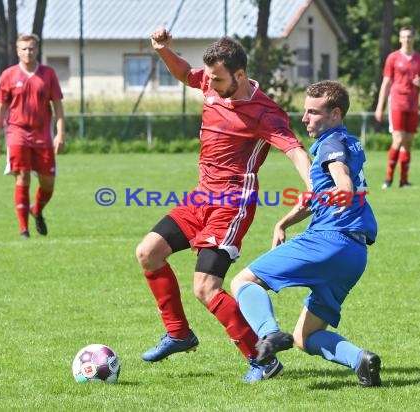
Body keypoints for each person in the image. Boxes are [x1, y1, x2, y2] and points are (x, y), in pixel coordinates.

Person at [136, 28, 311, 382]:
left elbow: (293, 149)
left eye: (217, 78)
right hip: (200, 197)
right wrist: (163, 51)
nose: (210, 84)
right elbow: (186, 74)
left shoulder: (265, 112)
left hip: (232, 205)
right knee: (148, 253)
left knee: (205, 288)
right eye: (210, 77)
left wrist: (313, 185)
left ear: (240, 75)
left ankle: (263, 360)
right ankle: (179, 334)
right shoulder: (210, 82)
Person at [230, 80, 382, 387]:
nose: (305, 119)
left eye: (313, 112)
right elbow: (316, 196)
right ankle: (361, 360)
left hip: (328, 240)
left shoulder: (330, 145)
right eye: (305, 112)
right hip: (355, 255)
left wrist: (343, 191)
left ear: (335, 114)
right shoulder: (350, 142)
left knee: (243, 282)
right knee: (304, 336)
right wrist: (283, 223)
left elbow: (341, 180)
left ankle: (268, 332)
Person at [0, 33, 66, 238]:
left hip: (42, 135)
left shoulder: (48, 74)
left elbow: (58, 106)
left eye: (31, 48)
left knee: (48, 182)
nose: (27, 52)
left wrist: (60, 134)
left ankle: (37, 210)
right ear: (17, 51)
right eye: (23, 48)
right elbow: (0, 109)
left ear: (37, 50)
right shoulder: (9, 75)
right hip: (17, 132)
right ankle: (24, 229)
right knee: (22, 177)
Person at [375, 25, 420, 189]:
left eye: (409, 36)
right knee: (397, 140)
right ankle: (388, 179)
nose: (407, 39)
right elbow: (386, 83)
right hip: (397, 102)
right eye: (404, 36)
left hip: (413, 105)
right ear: (399, 38)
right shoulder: (393, 58)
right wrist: (379, 106)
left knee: (408, 142)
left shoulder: (419, 59)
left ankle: (403, 181)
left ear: (414, 38)